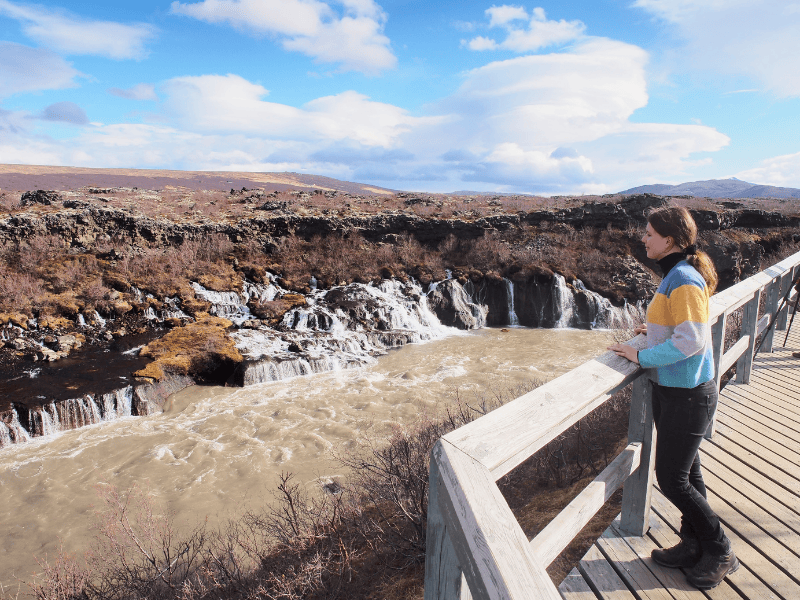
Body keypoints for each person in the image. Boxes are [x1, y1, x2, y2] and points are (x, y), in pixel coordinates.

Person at [608, 206, 738, 590]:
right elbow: (682, 327)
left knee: (672, 478)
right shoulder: (678, 275)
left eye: (649, 234)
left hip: (688, 393)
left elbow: (693, 339)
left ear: (670, 240)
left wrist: (642, 354)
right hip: (677, 390)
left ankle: (720, 549)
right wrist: (655, 332)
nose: (643, 239)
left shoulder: (682, 277)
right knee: (689, 472)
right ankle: (693, 543)